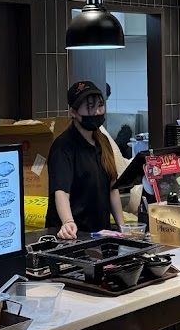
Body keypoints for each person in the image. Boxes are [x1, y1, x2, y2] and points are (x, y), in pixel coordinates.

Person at [45, 81, 126, 240]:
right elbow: (61, 191)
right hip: (73, 236)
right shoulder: (63, 147)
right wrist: (68, 222)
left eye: (100, 105)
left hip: (100, 234)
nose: (97, 111)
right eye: (90, 106)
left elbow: (112, 188)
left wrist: (123, 228)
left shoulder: (102, 140)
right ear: (73, 112)